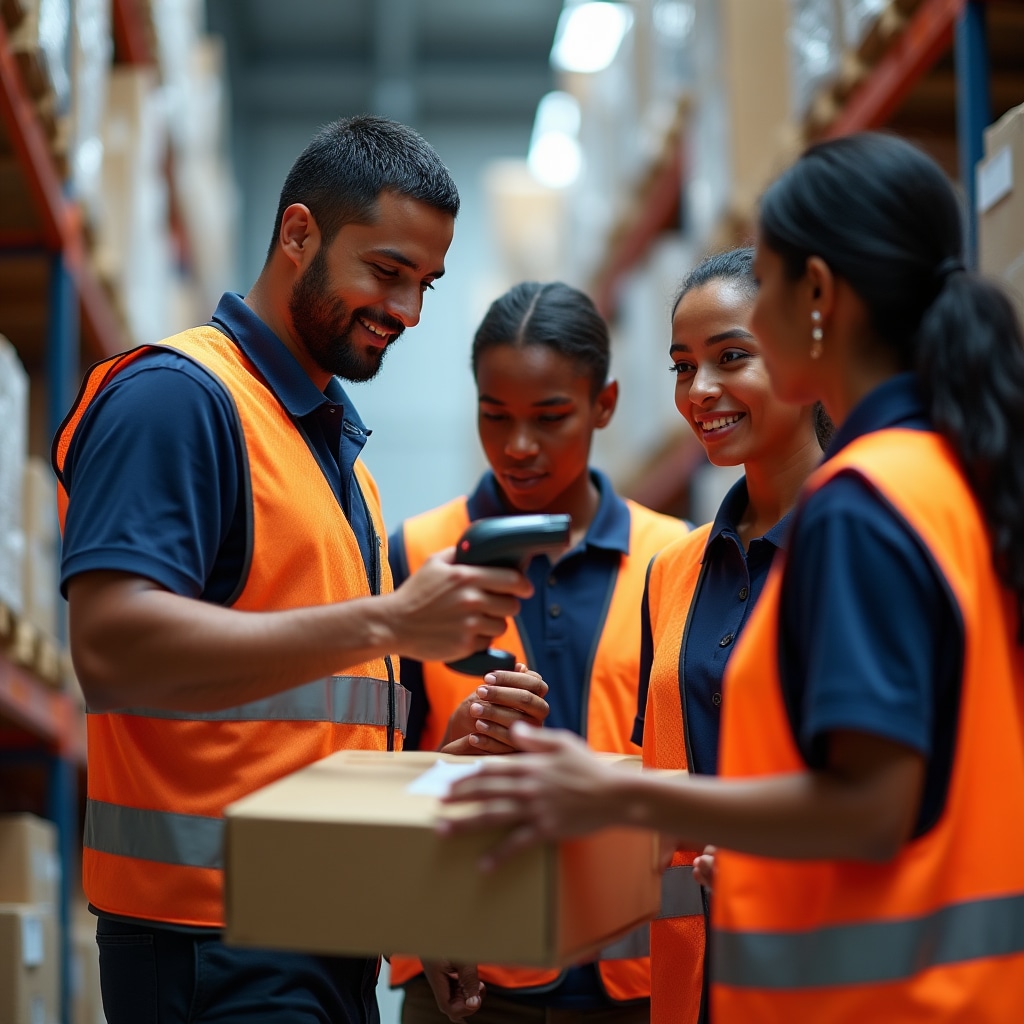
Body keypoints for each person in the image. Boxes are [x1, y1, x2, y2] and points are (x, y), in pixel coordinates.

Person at [439, 132, 1024, 1022]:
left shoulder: (866, 503)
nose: (700, 388)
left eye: (763, 304)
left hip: (870, 997)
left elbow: (871, 804)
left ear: (817, 297)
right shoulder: (947, 475)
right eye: (681, 367)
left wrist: (614, 790)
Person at [51, 115, 533, 1024]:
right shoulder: (177, 400)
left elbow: (306, 736)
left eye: (424, 285)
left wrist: (417, 897)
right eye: (387, 273)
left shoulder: (339, 461)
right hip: (208, 949)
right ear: (298, 233)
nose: (408, 313)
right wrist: (389, 623)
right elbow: (112, 647)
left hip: (322, 931)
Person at [387, 281, 690, 1024]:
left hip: (635, 980)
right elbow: (371, 766)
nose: (519, 447)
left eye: (550, 418)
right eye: (496, 417)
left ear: (605, 404)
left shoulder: (675, 559)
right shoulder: (420, 554)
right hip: (465, 974)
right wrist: (446, 756)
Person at [630, 246, 827, 1024]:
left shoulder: (865, 542)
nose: (699, 391)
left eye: (731, 357)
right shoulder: (671, 571)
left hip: (826, 975)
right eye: (682, 366)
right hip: (699, 991)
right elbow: (667, 781)